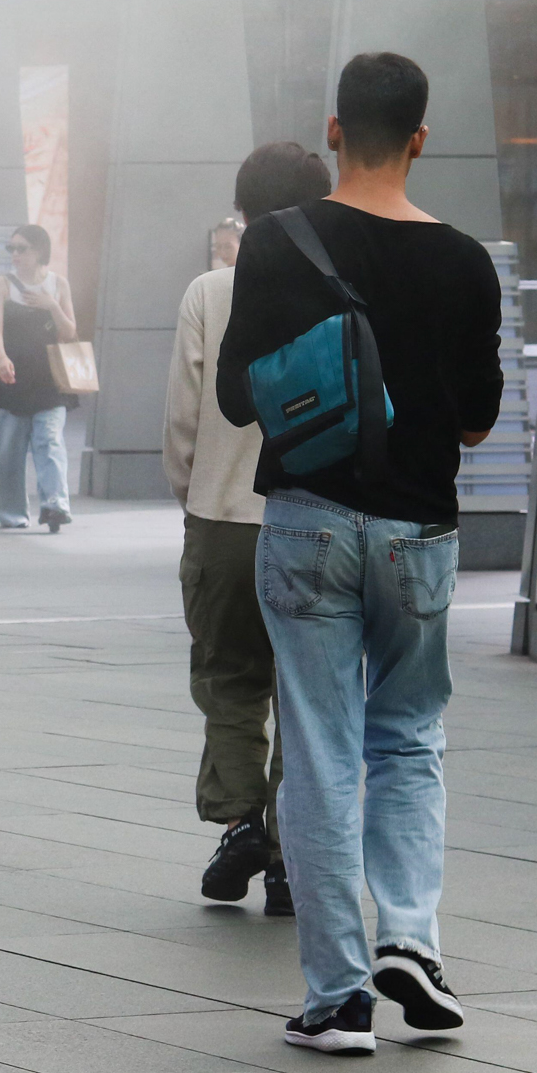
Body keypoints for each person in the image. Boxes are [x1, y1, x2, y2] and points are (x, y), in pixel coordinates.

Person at [217, 52, 503, 1055]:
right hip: (419, 529)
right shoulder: (467, 261)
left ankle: (338, 992)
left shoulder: (277, 245)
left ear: (333, 131)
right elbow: (475, 422)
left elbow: (235, 398)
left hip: (307, 520)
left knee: (322, 750)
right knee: (408, 737)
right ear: (422, 139)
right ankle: (412, 946)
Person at [164, 143, 332, 922]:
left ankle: (239, 825)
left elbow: (183, 416)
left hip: (224, 516)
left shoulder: (211, 290)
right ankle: (292, 854)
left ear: (241, 212)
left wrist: (194, 492)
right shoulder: (343, 286)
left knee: (228, 678)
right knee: (306, 689)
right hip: (318, 516)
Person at [0, 225, 78, 531]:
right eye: (12, 249)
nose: (15, 255)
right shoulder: (3, 284)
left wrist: (52, 305)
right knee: (7, 447)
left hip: (49, 377)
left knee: (50, 440)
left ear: (40, 251)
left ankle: (55, 504)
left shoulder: (58, 285)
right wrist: (2, 357)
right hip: (11, 375)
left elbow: (70, 333)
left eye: (22, 249)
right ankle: (12, 513)